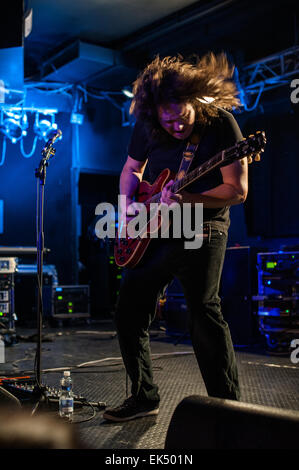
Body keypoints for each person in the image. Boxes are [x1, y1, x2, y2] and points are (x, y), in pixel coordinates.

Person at [103, 53, 248, 422]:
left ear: (192, 102)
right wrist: (127, 209)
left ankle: (227, 406)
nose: (176, 126)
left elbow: (236, 190)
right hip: (156, 227)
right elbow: (131, 170)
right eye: (167, 122)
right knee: (129, 311)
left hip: (203, 225)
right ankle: (143, 396)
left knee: (203, 310)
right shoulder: (149, 125)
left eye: (181, 117)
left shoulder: (222, 125)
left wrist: (189, 198)